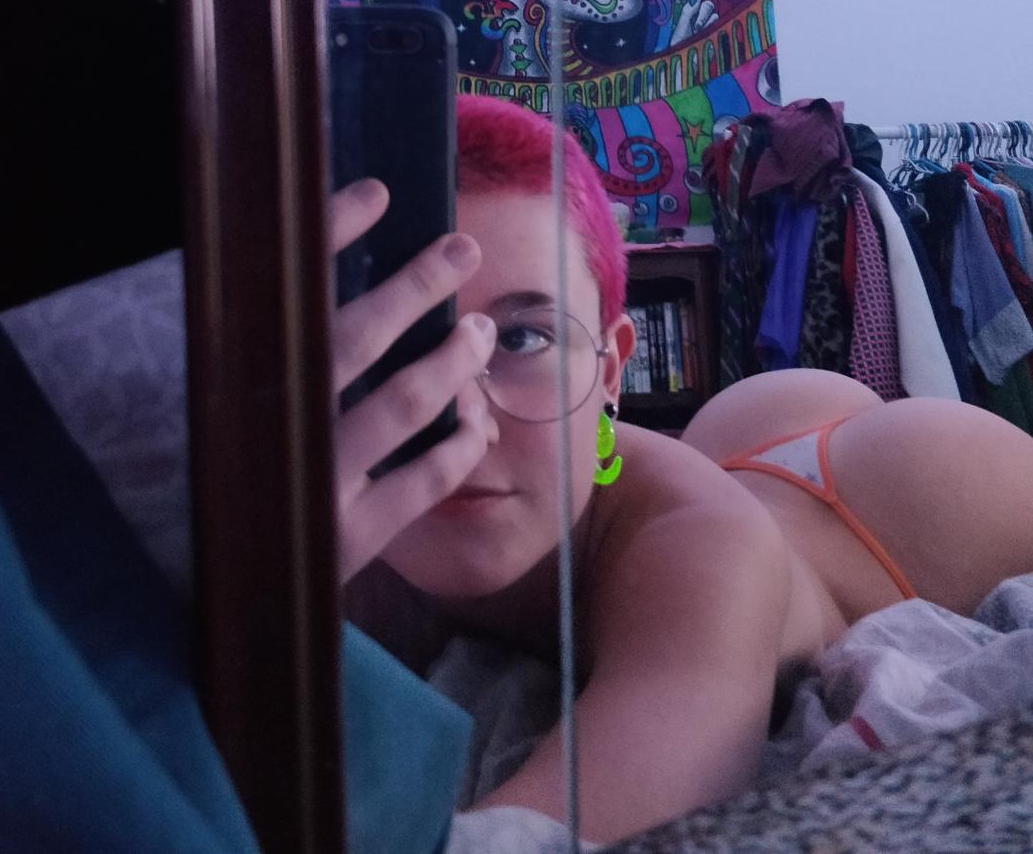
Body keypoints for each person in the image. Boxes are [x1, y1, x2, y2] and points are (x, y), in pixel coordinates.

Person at [334, 95, 1033, 846]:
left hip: (914, 500)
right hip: (743, 433)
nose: (454, 411)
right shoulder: (332, 509)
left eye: (523, 338)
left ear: (612, 372)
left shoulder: (704, 548)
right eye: (404, 344)